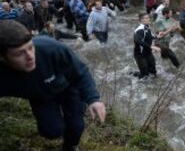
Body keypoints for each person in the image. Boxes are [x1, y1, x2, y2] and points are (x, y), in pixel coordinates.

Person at [0, 20, 106, 151]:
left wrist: (93, 99)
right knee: (52, 131)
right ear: (2, 58)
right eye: (19, 53)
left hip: (67, 88)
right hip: (39, 97)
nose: (30, 56)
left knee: (76, 126)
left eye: (30, 47)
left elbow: (80, 71)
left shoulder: (51, 48)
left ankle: (70, 146)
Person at [133, 13, 161, 80]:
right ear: (141, 20)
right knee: (145, 76)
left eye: (148, 17)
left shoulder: (147, 27)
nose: (148, 19)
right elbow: (138, 41)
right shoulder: (140, 29)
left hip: (148, 53)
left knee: (153, 72)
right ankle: (134, 75)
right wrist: (152, 47)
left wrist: (157, 37)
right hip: (140, 55)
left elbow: (149, 37)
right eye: (146, 18)